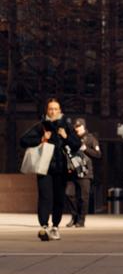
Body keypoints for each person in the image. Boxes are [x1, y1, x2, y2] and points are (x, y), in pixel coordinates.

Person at [20, 98, 81, 241]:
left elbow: (77, 145)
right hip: (44, 168)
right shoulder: (41, 126)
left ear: (60, 111)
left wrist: (66, 137)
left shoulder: (66, 126)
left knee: (58, 198)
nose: (53, 111)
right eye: (50, 109)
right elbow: (23, 141)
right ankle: (44, 226)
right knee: (44, 197)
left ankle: (55, 227)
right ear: (47, 111)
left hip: (61, 169)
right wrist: (41, 139)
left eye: (55, 109)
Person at [65, 118, 102, 228]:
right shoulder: (72, 138)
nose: (77, 128)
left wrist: (86, 149)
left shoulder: (91, 139)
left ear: (84, 127)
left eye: (79, 126)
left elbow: (98, 154)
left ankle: (81, 220)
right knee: (69, 193)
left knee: (83, 198)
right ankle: (74, 216)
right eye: (76, 126)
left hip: (85, 172)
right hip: (72, 171)